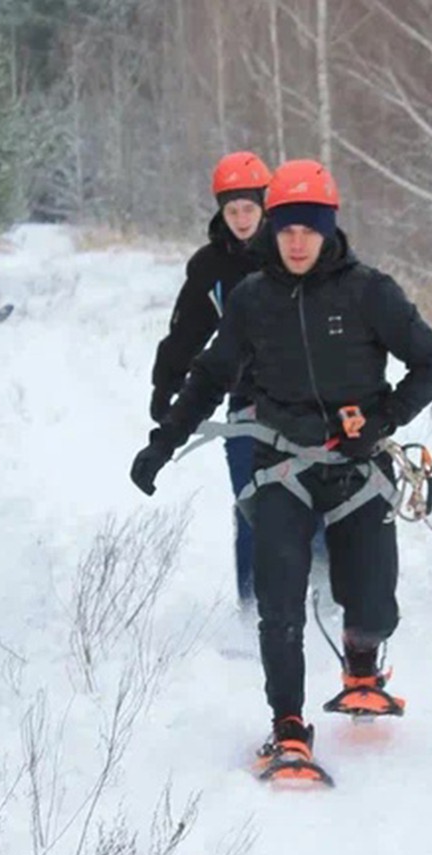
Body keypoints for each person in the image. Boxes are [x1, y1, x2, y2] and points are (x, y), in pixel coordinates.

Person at [130, 159, 432, 782]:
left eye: (309, 228)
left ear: (329, 228)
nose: (297, 240)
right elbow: (207, 377)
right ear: (272, 232)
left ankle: (362, 666)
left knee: (375, 609)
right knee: (280, 606)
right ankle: (288, 729)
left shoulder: (370, 291)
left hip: (358, 472)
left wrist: (383, 417)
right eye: (286, 229)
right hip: (281, 466)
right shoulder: (253, 300)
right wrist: (161, 443)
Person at [148, 151, 272, 609]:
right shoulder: (209, 266)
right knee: (251, 505)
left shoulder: (297, 250)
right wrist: (167, 384)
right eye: (232, 210)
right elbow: (187, 330)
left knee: (310, 510)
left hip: (305, 401)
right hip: (244, 401)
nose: (241, 219)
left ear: (265, 204)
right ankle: (253, 610)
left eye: (249, 209)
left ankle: (323, 600)